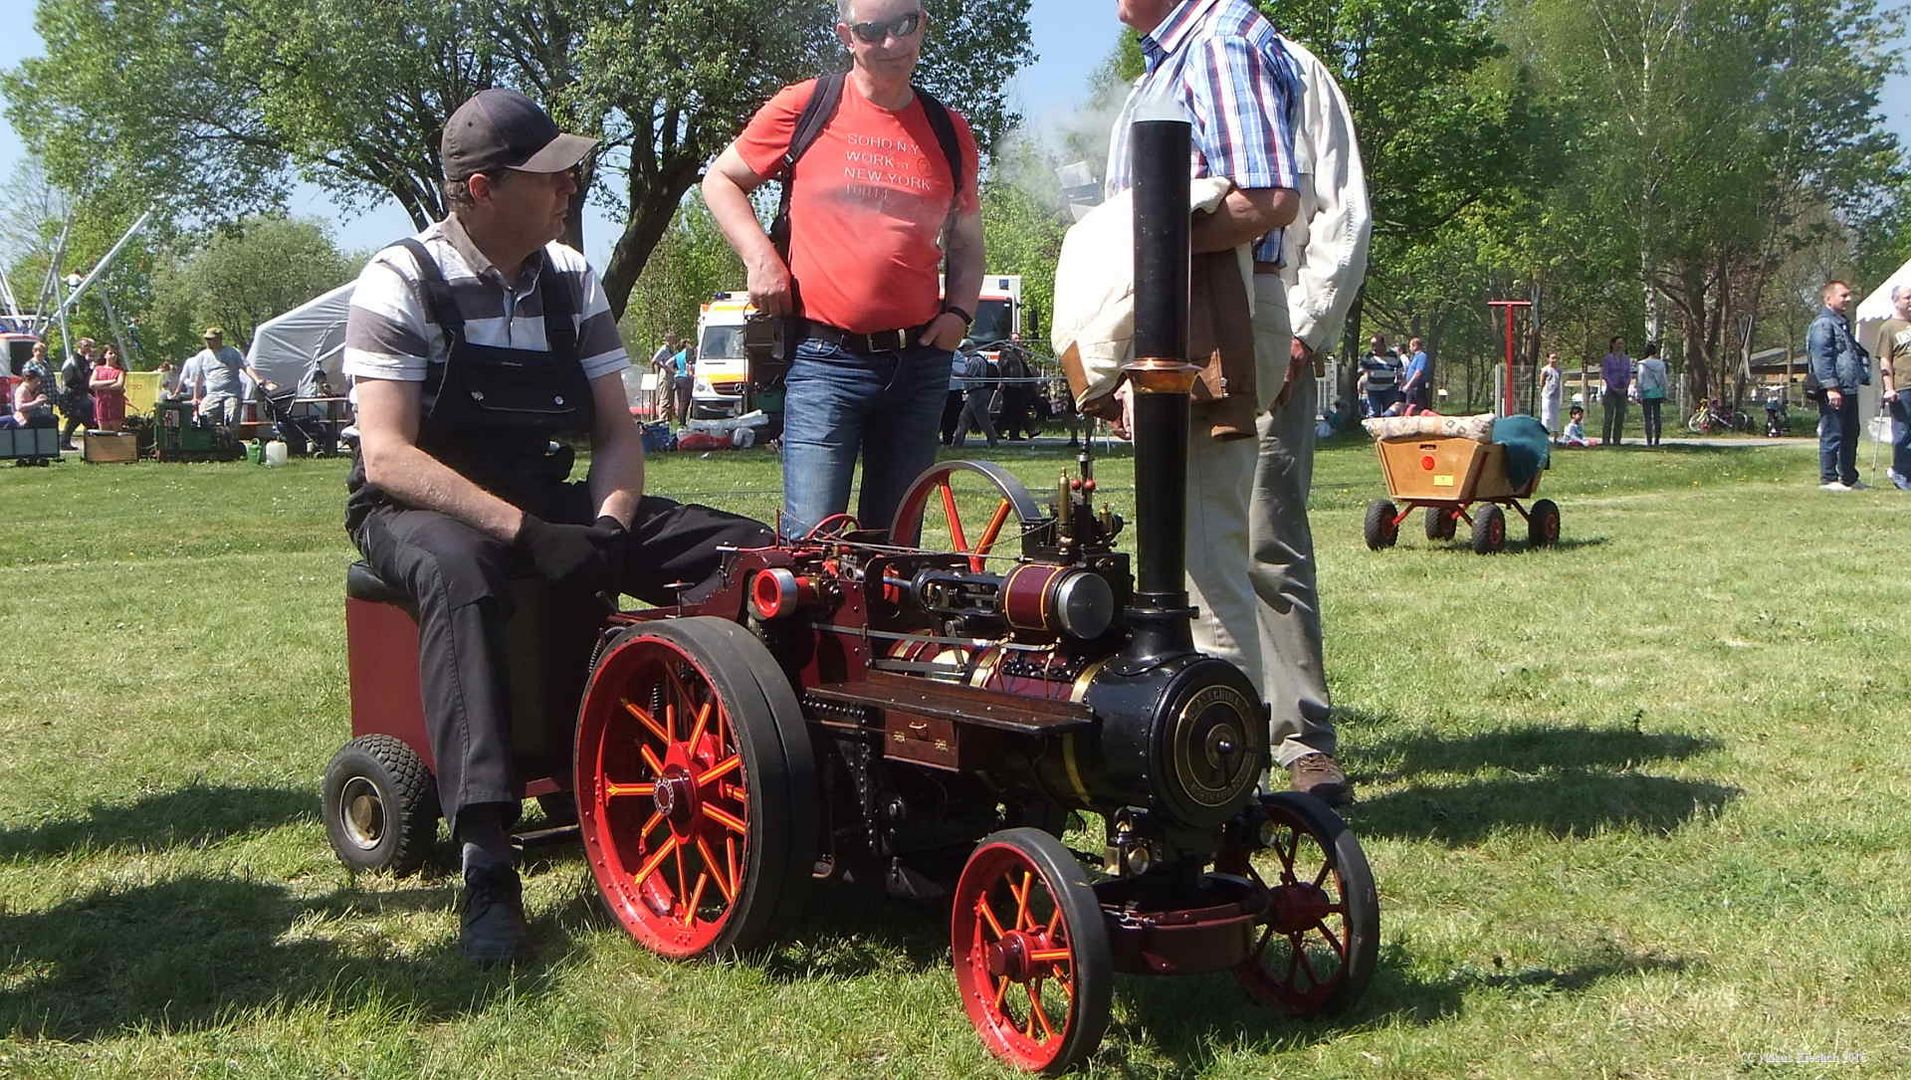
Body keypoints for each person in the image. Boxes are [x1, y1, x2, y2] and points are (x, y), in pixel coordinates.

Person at [342, 87, 774, 963]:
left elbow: (617, 433)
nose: (570, 183)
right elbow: (387, 456)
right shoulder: (401, 279)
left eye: (568, 169)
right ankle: (488, 861)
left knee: (741, 548)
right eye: (548, 173)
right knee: (464, 575)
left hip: (545, 494)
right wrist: (525, 533)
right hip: (414, 507)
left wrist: (609, 530)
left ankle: (753, 766)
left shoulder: (571, 277)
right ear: (480, 190)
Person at [1109, 0, 1357, 803]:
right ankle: (1207, 756)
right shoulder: (1177, 55)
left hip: (1218, 311)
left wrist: (1148, 244)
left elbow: (1271, 197)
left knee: (1223, 553)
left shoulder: (1215, 44)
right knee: (1191, 551)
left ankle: (1225, 782)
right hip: (1188, 309)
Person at [703, 0, 984, 537]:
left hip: (919, 365)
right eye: (872, 31)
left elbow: (967, 242)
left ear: (922, 24)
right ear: (846, 35)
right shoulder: (808, 105)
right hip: (825, 362)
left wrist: (959, 316)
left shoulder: (949, 131)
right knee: (812, 545)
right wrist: (761, 257)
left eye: (904, 25)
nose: (891, 43)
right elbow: (721, 180)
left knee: (896, 549)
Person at [1807, 279, 1870, 491]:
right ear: (1828, 298)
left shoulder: (1842, 324)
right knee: (1833, 433)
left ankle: (1849, 478)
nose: (1848, 299)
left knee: (1851, 433)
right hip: (1834, 389)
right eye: (1843, 295)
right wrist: (1831, 388)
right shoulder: (1823, 324)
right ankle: (1828, 478)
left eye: (1849, 295)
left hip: (1849, 387)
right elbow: (1822, 358)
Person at [181, 327, 271, 430]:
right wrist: (195, 397)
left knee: (231, 420)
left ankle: (230, 442)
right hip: (213, 395)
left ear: (219, 339)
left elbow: (246, 367)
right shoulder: (202, 356)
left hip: (231, 394)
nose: (208, 342)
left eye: (211, 339)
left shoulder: (232, 352)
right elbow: (199, 378)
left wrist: (257, 379)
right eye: (207, 339)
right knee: (201, 418)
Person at [1872, 283, 1911, 490]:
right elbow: (1885, 360)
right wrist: (1889, 387)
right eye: (1908, 298)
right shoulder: (1889, 328)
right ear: (1896, 301)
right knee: (1903, 433)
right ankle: (1901, 473)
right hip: (1903, 387)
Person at [953, 349, 998, 448]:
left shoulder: (975, 361)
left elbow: (968, 376)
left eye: (963, 349)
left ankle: (993, 442)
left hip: (977, 393)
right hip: (974, 393)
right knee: (964, 419)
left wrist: (954, 373)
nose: (961, 352)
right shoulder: (977, 359)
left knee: (983, 420)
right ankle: (957, 444)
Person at [58, 338, 95, 450]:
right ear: (79, 346)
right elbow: (69, 380)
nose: (89, 348)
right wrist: (81, 389)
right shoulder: (72, 361)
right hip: (73, 396)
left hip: (83, 395)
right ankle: (65, 442)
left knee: (80, 419)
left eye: (90, 346)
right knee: (78, 418)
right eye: (86, 345)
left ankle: (66, 442)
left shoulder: (85, 361)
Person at [1359, 335, 1401, 418]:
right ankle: (1372, 430)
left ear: (1382, 345)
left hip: (1389, 389)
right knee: (1374, 413)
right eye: (1372, 345)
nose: (1373, 347)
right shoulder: (1368, 356)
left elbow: (1400, 370)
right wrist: (1365, 375)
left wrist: (1400, 383)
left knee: (1389, 414)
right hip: (1373, 390)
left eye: (1375, 344)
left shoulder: (1393, 355)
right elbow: (1361, 370)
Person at [1600, 335, 1631, 446]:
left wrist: (1625, 387)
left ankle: (1617, 440)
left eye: (1622, 343)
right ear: (1613, 344)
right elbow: (1606, 374)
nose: (1620, 346)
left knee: (1620, 415)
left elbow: (1628, 374)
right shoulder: (1608, 358)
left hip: (1623, 390)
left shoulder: (1626, 359)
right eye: (1618, 343)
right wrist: (1613, 387)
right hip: (1611, 391)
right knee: (1609, 416)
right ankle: (1606, 440)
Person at [1636, 341, 1669, 447]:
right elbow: (1663, 379)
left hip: (1646, 392)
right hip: (1658, 392)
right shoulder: (1660, 363)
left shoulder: (1642, 364)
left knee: (1647, 418)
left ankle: (1649, 441)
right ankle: (1657, 440)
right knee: (1657, 417)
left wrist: (1639, 394)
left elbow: (1640, 380)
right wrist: (1664, 392)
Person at [1399, 336, 1431, 411]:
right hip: (1411, 389)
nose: (1409, 348)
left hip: (1417, 388)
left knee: (1418, 409)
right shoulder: (1414, 357)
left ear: (1415, 346)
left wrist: (1408, 385)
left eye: (1410, 346)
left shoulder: (1422, 356)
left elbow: (1418, 372)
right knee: (1409, 409)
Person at [1539, 352, 1564, 434]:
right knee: (1546, 415)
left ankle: (1556, 436)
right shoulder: (1545, 369)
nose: (1554, 360)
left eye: (1556, 358)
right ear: (1548, 359)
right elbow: (1541, 382)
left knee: (1555, 416)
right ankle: (1544, 434)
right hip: (1547, 396)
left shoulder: (1559, 370)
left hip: (1556, 396)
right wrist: (1544, 391)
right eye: (1552, 358)